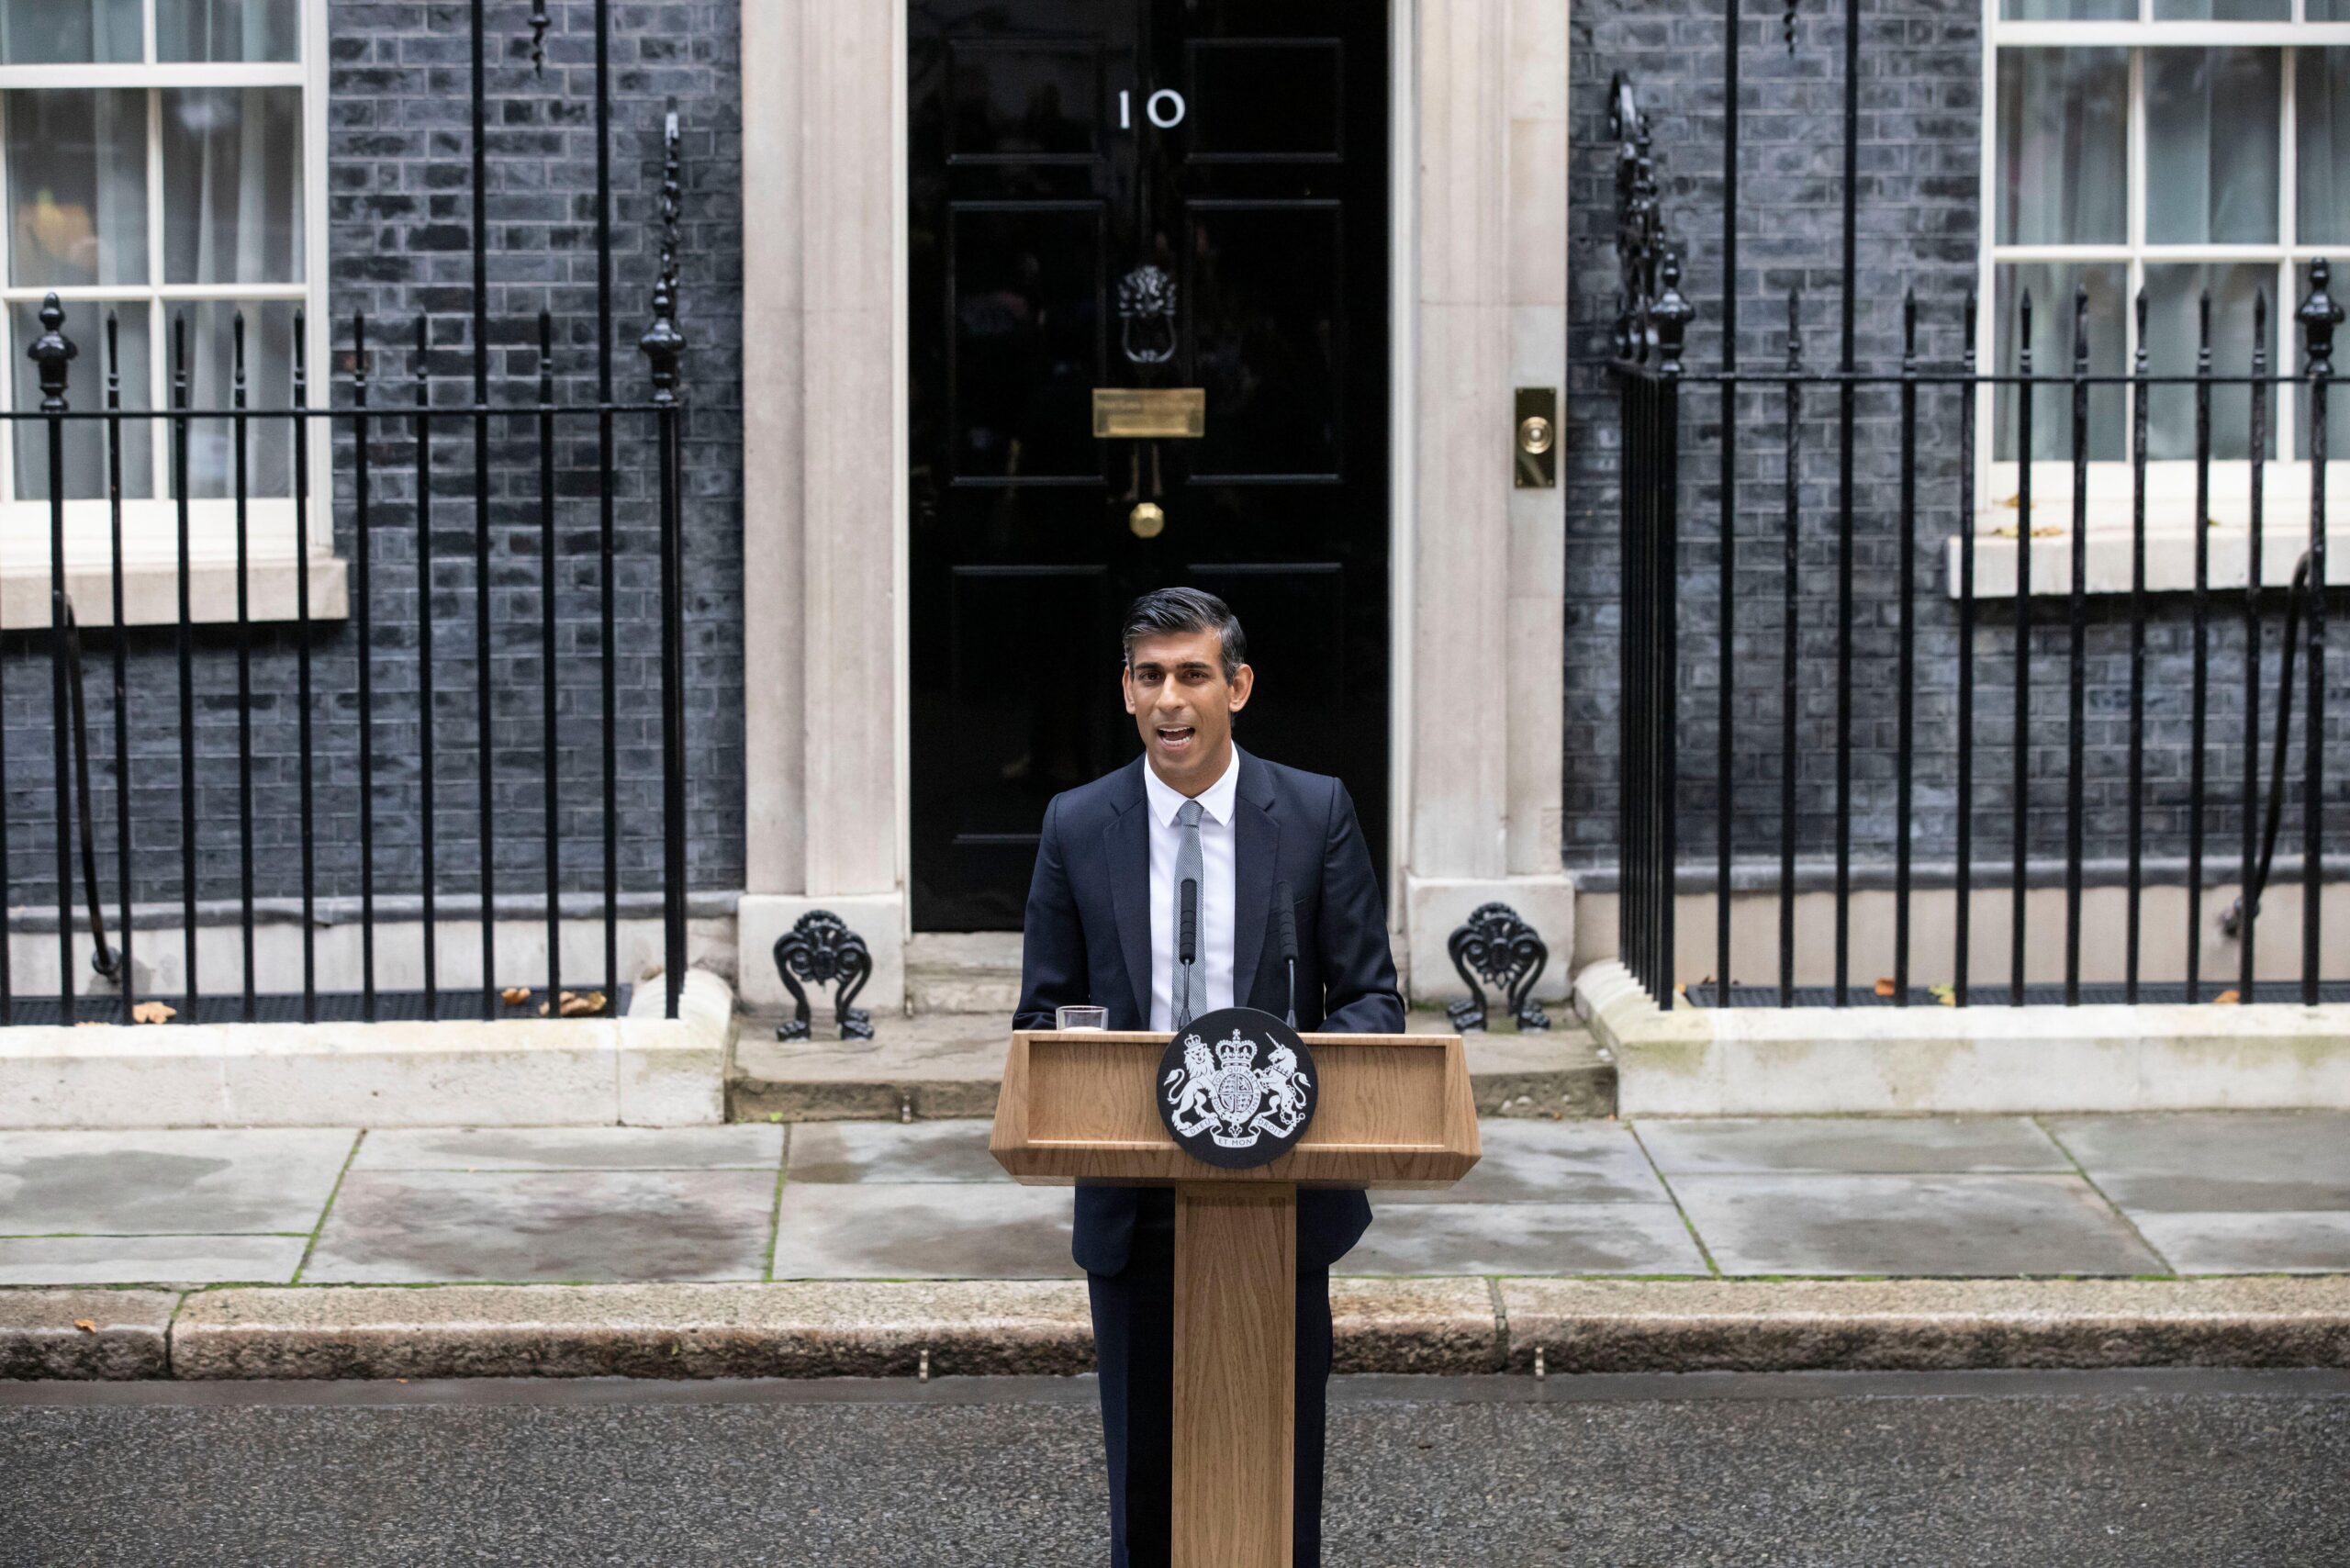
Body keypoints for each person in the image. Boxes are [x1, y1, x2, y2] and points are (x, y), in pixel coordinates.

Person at [1013, 586, 1404, 1568]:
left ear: (1238, 685)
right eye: (1150, 677)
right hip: (1134, 1193)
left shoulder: (1312, 812)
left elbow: (1369, 1000)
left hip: (1276, 1193)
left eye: (1192, 674)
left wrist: (1283, 1082)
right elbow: (1042, 1014)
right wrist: (1088, 1062)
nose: (1169, 699)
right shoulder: (1077, 822)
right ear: (1126, 691)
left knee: (1275, 1487)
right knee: (1145, 1498)